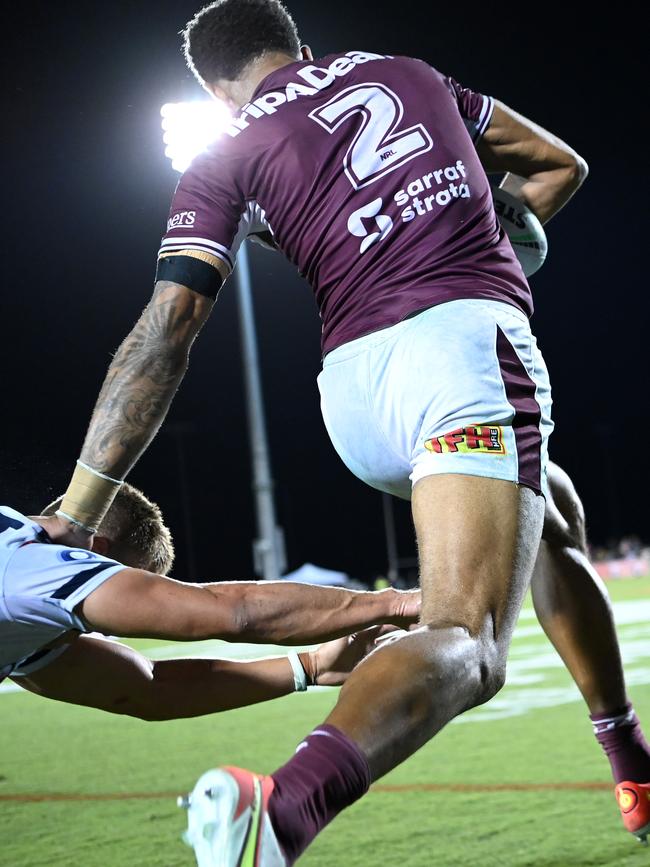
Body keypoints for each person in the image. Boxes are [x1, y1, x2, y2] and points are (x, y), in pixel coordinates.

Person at [33, 0, 648, 858]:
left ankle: (629, 758)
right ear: (298, 48)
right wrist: (487, 224)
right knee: (468, 642)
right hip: (458, 351)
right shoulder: (407, 73)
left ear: (216, 91)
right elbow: (557, 167)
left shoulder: (228, 151)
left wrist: (80, 508)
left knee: (553, 510)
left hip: (355, 394)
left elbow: (163, 333)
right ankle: (280, 807)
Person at [1, 485, 421, 716]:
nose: (112, 629)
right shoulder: (34, 568)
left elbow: (148, 689)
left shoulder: (28, 614)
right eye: (133, 581)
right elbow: (230, 610)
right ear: (96, 550)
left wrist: (309, 668)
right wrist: (394, 603)